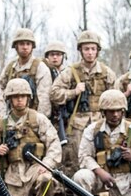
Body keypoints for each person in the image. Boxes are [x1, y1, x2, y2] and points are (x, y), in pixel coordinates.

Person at [0, 78, 62, 196]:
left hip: (36, 168)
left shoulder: (38, 119)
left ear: (28, 98)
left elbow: (54, 144)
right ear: (9, 99)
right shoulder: (1, 124)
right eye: (15, 96)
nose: (19, 100)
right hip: (14, 172)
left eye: (23, 96)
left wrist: (46, 164)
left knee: (46, 180)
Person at [49, 30, 118, 186]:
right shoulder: (70, 72)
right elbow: (54, 94)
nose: (90, 53)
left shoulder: (107, 73)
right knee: (73, 163)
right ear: (80, 50)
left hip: (102, 124)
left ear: (98, 51)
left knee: (105, 160)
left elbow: (116, 98)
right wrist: (73, 92)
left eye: (93, 49)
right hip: (77, 125)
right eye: (86, 49)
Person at [0, 28, 52, 117]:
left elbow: (44, 100)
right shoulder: (10, 67)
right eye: (22, 44)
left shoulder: (40, 67)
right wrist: (2, 117)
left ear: (32, 46)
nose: (25, 47)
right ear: (16, 46)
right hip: (12, 117)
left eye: (28, 44)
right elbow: (0, 91)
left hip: (32, 118)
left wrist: (37, 122)